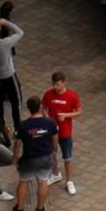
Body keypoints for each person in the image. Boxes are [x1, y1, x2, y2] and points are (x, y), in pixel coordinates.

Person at [12, 102, 60, 211]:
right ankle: (40, 210)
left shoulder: (23, 125)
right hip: (45, 158)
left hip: (29, 159)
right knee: (43, 182)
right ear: (40, 107)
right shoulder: (50, 122)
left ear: (29, 109)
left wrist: (15, 157)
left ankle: (19, 209)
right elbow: (55, 139)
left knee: (23, 181)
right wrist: (53, 152)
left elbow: (17, 144)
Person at [41, 70, 81, 198]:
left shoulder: (72, 96)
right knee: (52, 153)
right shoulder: (48, 94)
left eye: (57, 84)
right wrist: (47, 118)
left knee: (67, 157)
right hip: (52, 132)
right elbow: (44, 108)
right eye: (54, 84)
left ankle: (69, 181)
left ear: (63, 83)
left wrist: (66, 115)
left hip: (65, 132)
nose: (55, 87)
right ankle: (55, 173)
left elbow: (79, 111)